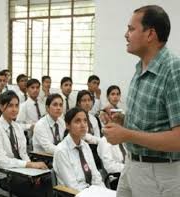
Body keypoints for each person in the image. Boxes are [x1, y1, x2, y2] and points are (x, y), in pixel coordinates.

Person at [103, 5, 180, 197]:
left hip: (159, 173)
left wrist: (127, 134)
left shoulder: (173, 70)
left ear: (150, 34)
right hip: (132, 164)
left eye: (131, 29)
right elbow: (153, 124)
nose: (126, 35)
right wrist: (123, 123)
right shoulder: (141, 68)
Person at [0, 90, 50, 197]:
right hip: (6, 175)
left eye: (17, 106)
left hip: (23, 171)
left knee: (48, 180)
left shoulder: (17, 127)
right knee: (35, 190)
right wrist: (29, 165)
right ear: (2, 107)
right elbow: (2, 161)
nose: (14, 109)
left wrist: (33, 170)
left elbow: (23, 154)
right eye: (10, 106)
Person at [53, 107, 104, 192]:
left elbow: (96, 176)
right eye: (78, 121)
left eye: (85, 120)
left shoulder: (85, 146)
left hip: (92, 191)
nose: (83, 125)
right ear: (67, 125)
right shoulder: (61, 151)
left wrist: (103, 191)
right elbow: (72, 186)